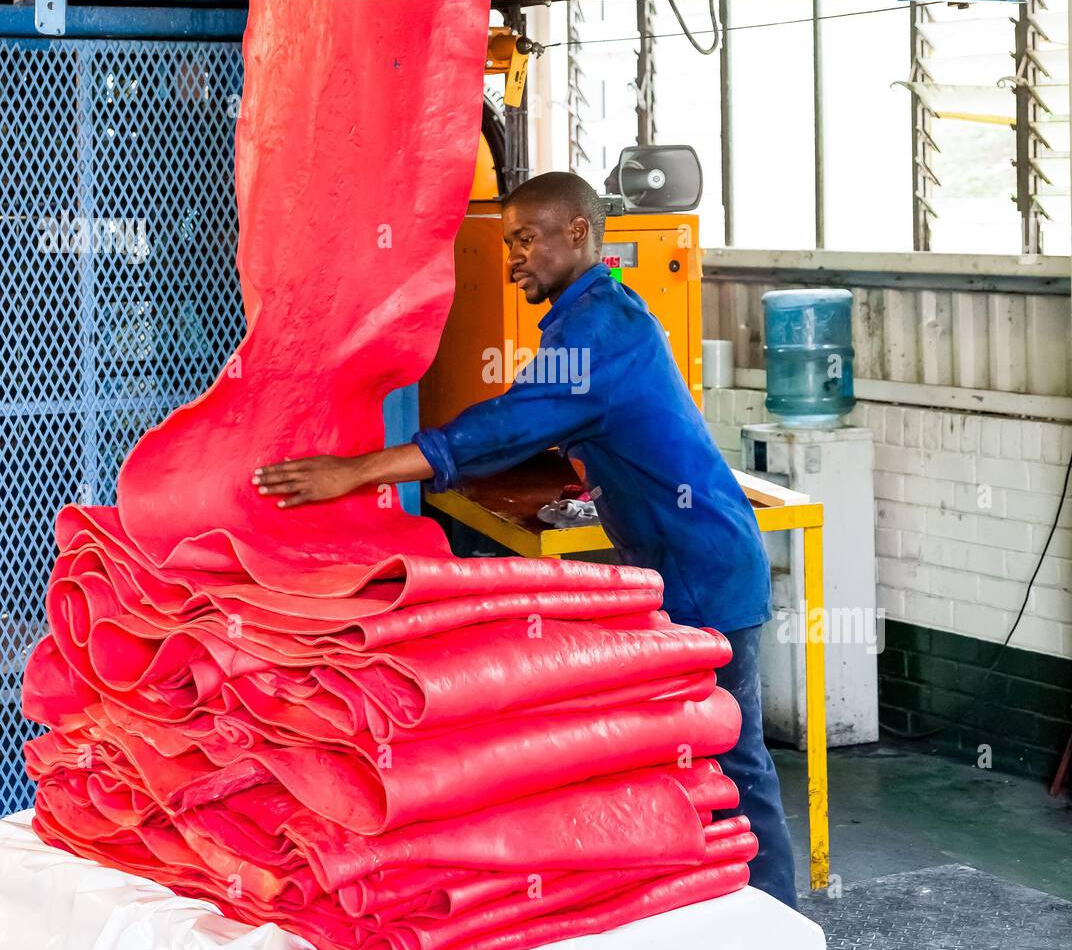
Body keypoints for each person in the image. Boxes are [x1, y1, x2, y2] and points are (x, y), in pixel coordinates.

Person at [253, 171, 797, 907]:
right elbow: (539, 418)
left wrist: (357, 470)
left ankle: (777, 921)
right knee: (687, 748)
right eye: (509, 240)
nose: (513, 257)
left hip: (705, 568)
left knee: (732, 754)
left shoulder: (602, 332)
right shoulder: (591, 317)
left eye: (526, 239)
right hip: (675, 562)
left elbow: (509, 423)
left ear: (577, 233)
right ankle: (716, 907)